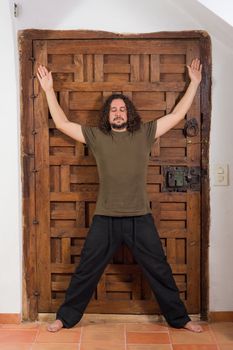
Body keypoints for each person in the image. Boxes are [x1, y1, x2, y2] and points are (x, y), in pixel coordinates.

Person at [37, 58, 203, 333]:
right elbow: (64, 123)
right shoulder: (96, 136)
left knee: (159, 270)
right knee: (86, 271)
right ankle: (65, 318)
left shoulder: (145, 133)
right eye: (113, 109)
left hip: (140, 216)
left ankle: (180, 319)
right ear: (108, 114)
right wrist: (48, 90)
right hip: (105, 217)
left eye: (122, 109)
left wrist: (195, 84)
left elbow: (175, 117)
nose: (118, 112)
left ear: (128, 114)